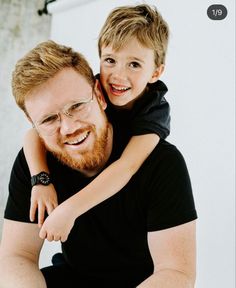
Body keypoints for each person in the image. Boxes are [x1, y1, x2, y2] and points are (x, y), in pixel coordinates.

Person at [0, 39, 197, 287]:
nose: (69, 128)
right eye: (49, 119)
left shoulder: (161, 162)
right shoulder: (35, 166)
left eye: (77, 106)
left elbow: (176, 273)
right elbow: (17, 256)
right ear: (34, 124)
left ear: (99, 96)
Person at [23, 4, 171, 243]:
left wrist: (69, 210)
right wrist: (40, 180)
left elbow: (126, 167)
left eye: (134, 64)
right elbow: (33, 134)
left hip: (127, 196)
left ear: (155, 72)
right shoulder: (91, 91)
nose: (118, 75)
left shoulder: (154, 111)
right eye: (110, 60)